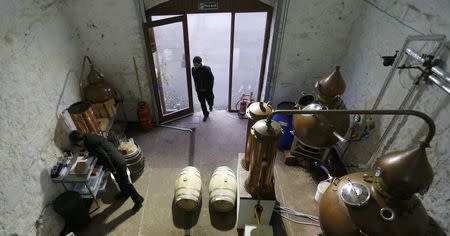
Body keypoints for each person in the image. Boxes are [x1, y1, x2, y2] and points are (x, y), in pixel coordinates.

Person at [69, 130, 144, 212]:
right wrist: (90, 154)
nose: (79, 146)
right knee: (119, 180)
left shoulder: (90, 143)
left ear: (79, 141)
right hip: (114, 158)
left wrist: (112, 169)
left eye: (77, 144)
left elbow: (105, 157)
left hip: (117, 162)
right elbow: (98, 149)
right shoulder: (88, 137)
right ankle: (124, 193)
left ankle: (138, 200)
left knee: (126, 183)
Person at [191, 56, 214, 121]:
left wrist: (209, 89)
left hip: (207, 90)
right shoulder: (193, 69)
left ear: (200, 63)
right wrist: (196, 88)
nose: (195, 66)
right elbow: (195, 79)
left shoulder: (207, 69)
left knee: (210, 100)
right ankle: (206, 114)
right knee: (202, 103)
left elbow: (212, 79)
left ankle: (211, 105)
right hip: (199, 90)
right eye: (194, 64)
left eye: (196, 65)